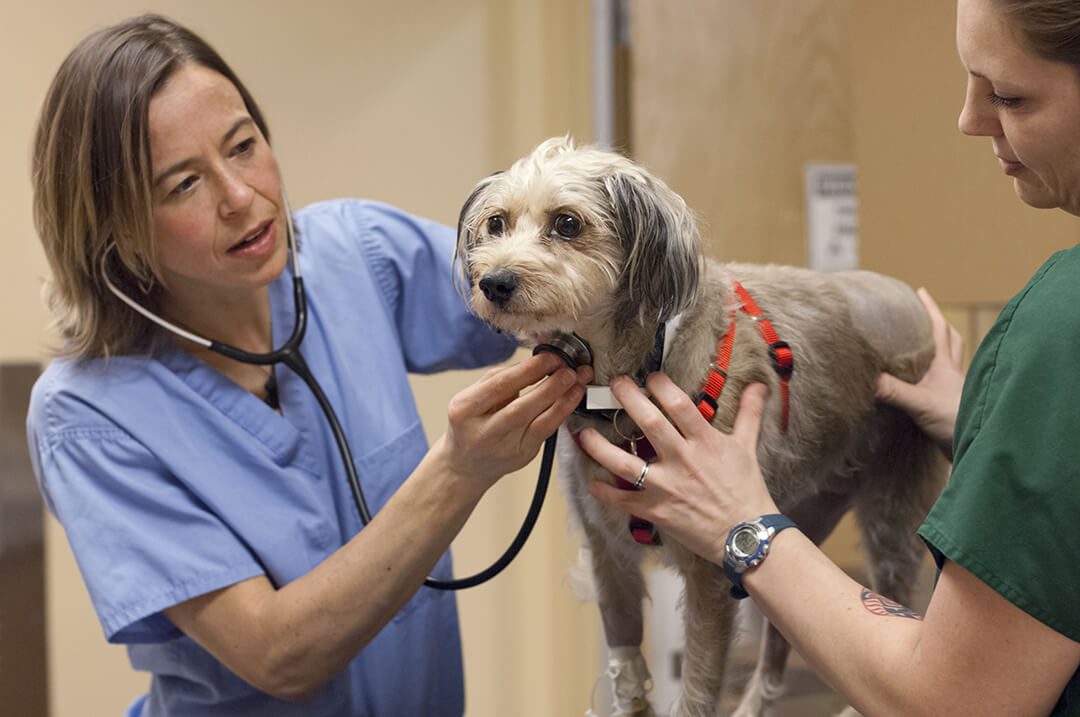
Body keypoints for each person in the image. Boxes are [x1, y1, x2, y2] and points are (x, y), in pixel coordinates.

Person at [26, 14, 590, 717]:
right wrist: (460, 469)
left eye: (243, 145)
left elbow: (555, 291)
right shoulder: (87, 417)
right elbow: (276, 655)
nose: (240, 196)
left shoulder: (356, 253)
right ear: (113, 228)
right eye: (183, 184)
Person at [580, 0, 1080, 714]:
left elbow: (953, 701)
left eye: (1008, 94)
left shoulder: (1063, 327)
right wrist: (995, 423)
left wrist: (742, 523)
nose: (970, 119)